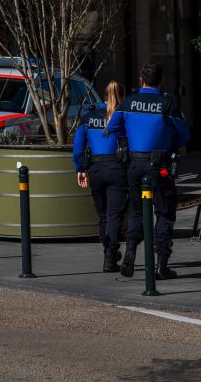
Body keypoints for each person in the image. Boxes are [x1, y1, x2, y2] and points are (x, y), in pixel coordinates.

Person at [107, 62, 190, 280]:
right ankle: (161, 265)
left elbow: (113, 127)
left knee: (136, 211)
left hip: (134, 164)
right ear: (161, 80)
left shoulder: (129, 101)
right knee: (164, 212)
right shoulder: (168, 103)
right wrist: (169, 144)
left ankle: (131, 252)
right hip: (159, 166)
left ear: (141, 80)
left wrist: (125, 144)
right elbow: (184, 135)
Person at [72, 81, 129, 272]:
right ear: (121, 97)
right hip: (117, 169)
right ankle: (111, 255)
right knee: (114, 215)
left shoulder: (88, 118)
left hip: (95, 170)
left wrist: (80, 168)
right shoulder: (123, 117)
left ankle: (107, 252)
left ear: (103, 96)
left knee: (103, 215)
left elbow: (78, 146)